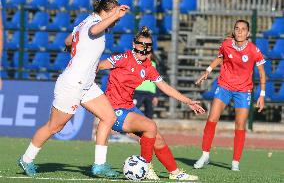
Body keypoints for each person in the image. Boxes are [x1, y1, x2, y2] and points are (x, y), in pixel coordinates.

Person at [17, 0, 129, 178]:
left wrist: (74, 49)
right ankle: (26, 158)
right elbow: (94, 30)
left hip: (86, 84)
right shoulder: (94, 24)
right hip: (72, 84)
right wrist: (115, 15)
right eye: (115, 14)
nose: (117, 19)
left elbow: (69, 40)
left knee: (108, 117)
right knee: (54, 127)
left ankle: (99, 165)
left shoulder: (85, 21)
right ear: (106, 12)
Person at [98, 26, 205, 181]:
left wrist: (187, 101)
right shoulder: (123, 58)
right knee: (150, 126)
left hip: (129, 107)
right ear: (134, 45)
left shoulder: (148, 66)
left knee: (158, 138)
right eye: (141, 45)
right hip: (114, 110)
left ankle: (175, 173)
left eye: (148, 46)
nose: (145, 49)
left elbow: (165, 87)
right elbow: (98, 66)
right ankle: (145, 167)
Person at [194, 20, 266, 171]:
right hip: (224, 86)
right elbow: (220, 57)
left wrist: (262, 95)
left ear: (248, 33)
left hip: (243, 90)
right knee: (212, 118)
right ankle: (205, 154)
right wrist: (207, 71)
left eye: (243, 29)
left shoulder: (254, 50)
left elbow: (261, 73)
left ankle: (235, 162)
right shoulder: (226, 44)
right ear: (234, 31)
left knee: (240, 125)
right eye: (237, 29)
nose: (240, 32)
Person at [133, 53, 158, 119]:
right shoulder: (136, 63)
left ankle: (147, 128)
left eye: (148, 53)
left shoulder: (154, 65)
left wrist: (156, 96)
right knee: (132, 111)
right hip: (137, 91)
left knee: (149, 113)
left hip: (150, 92)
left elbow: (158, 81)